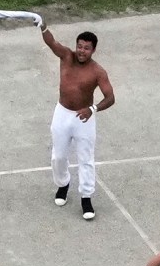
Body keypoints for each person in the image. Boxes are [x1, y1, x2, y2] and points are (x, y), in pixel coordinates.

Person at [39, 25, 115, 218]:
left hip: (84, 118)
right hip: (62, 113)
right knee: (59, 156)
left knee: (86, 159)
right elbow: (51, 42)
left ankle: (86, 198)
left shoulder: (98, 72)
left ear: (93, 50)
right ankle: (63, 185)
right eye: (79, 46)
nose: (82, 51)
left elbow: (110, 97)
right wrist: (42, 26)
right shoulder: (66, 56)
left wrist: (92, 109)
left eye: (86, 48)